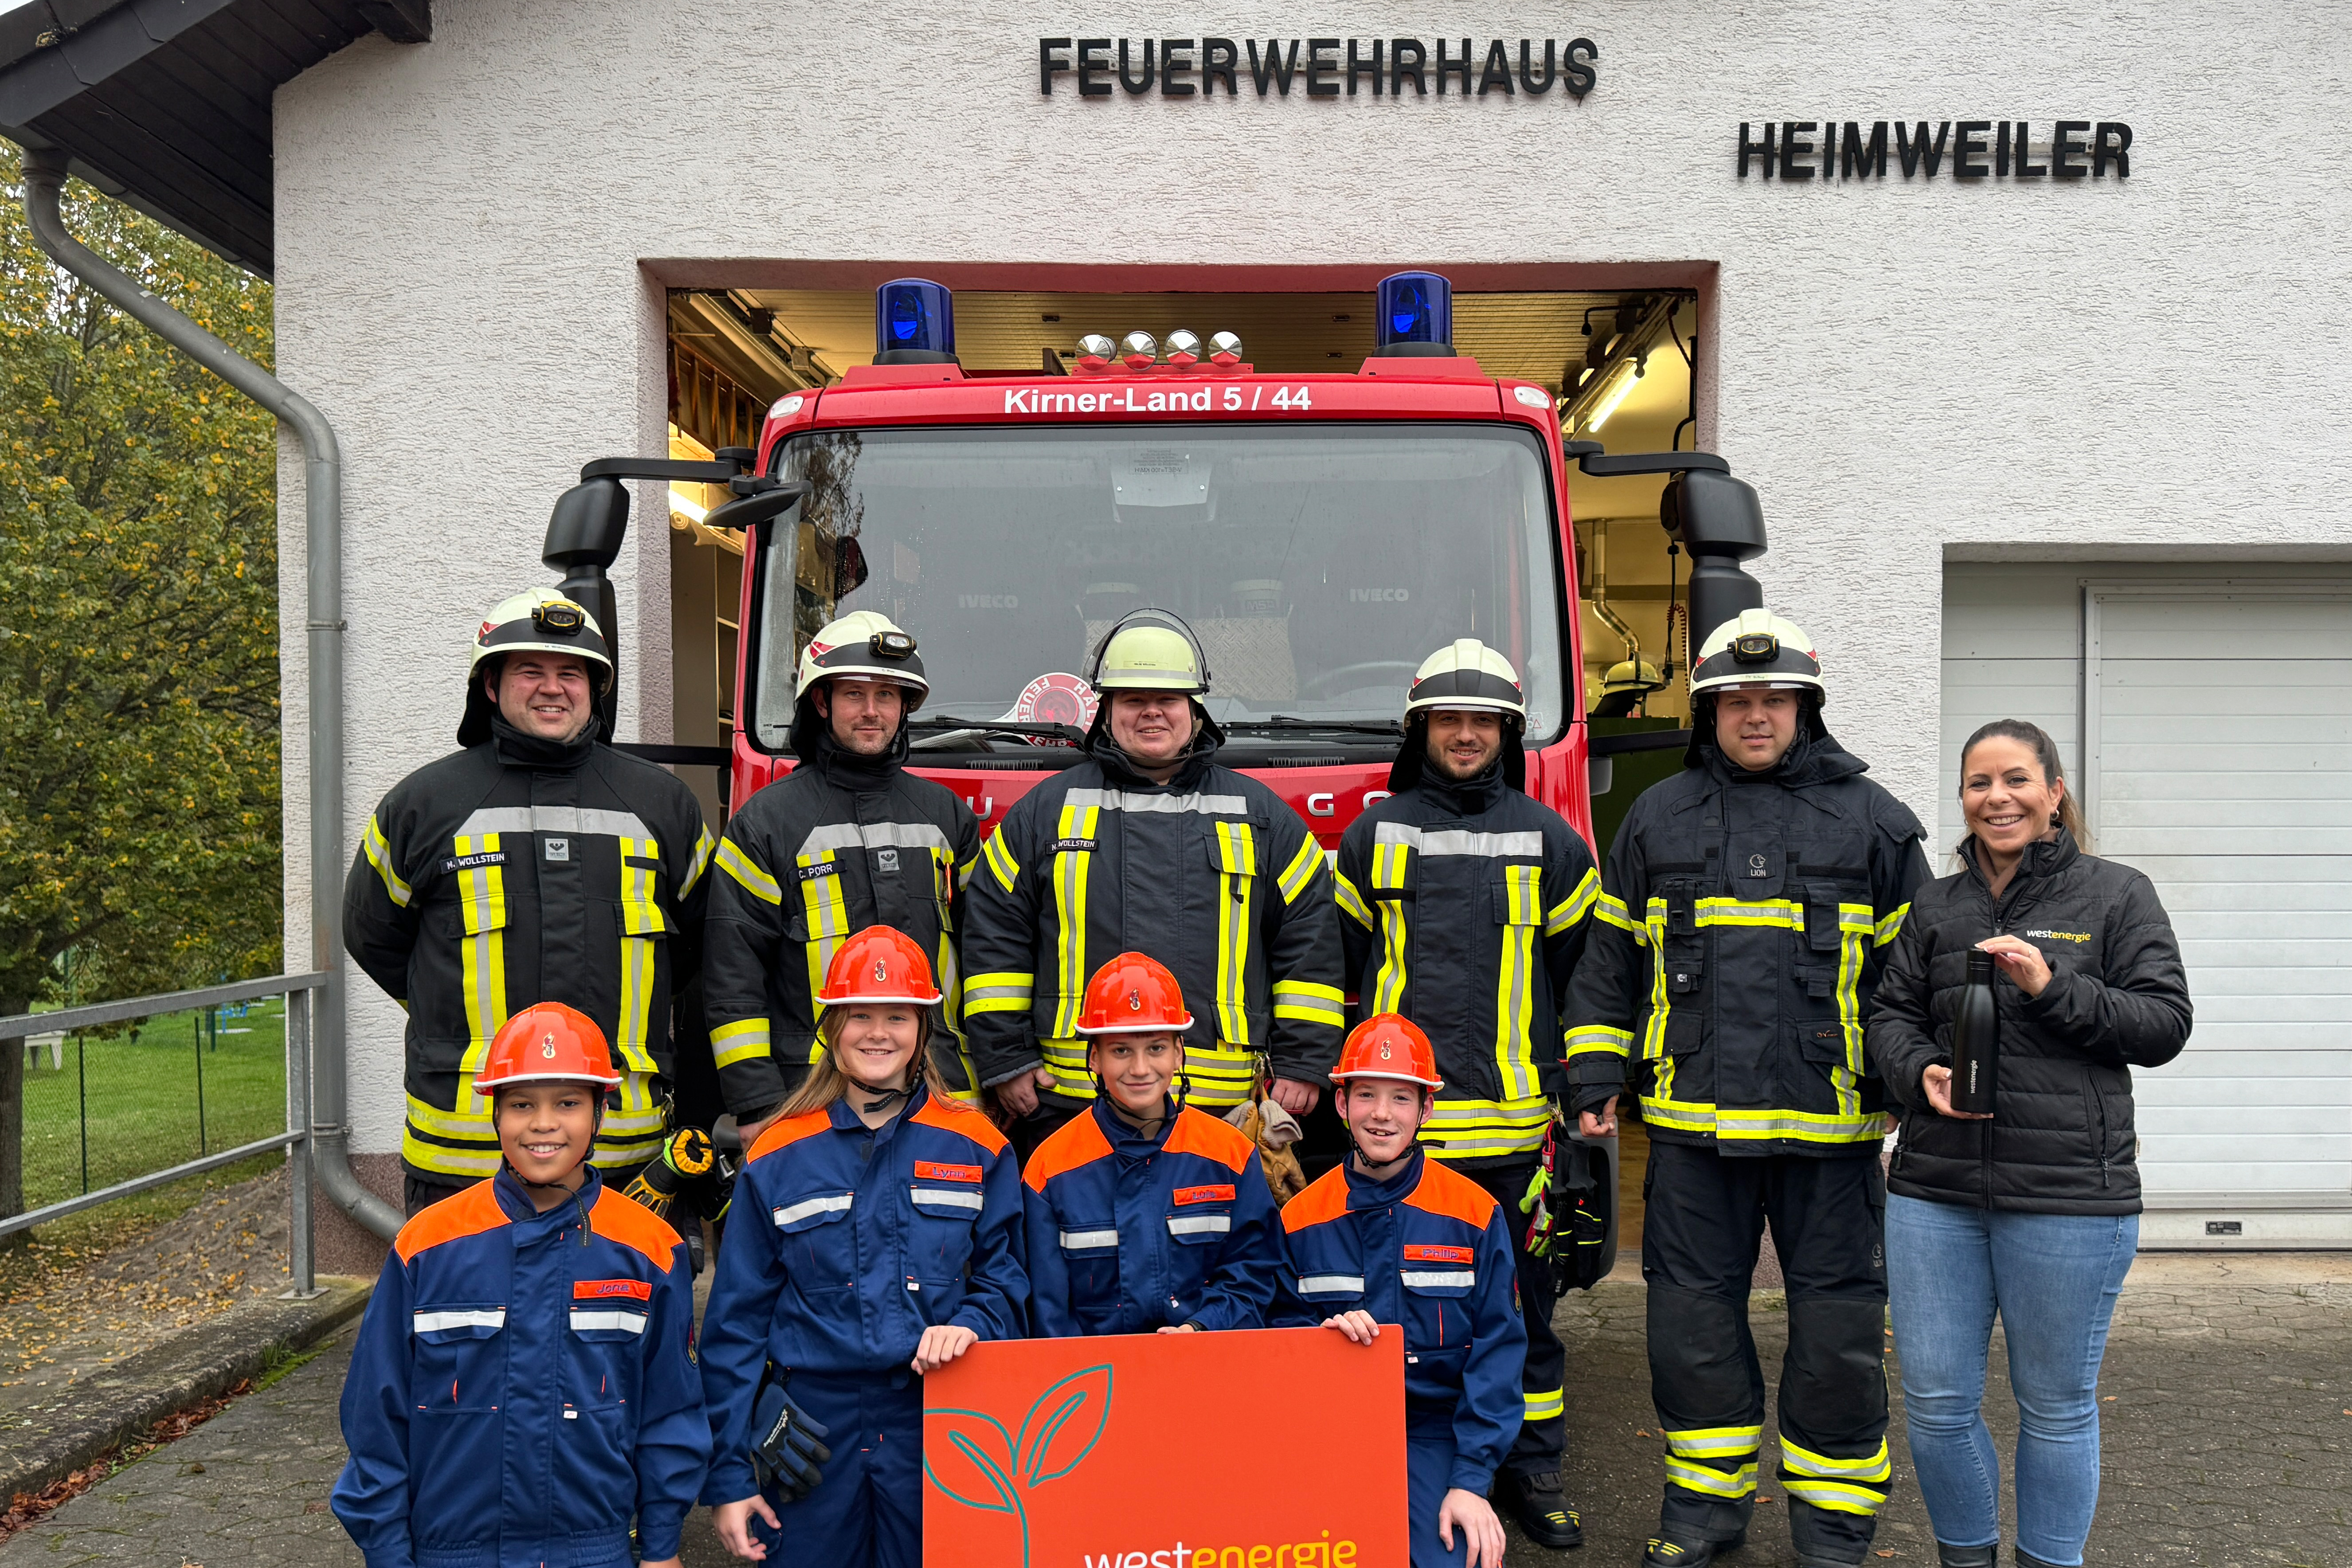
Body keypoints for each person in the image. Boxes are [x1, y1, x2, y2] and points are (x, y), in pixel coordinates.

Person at [1563, 609, 1931, 1568]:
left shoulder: (1878, 822)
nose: (1755, 716)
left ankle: (1835, 1528)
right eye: (1736, 701)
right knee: (1688, 1326)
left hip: (1834, 1134)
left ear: (1807, 707)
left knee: (1842, 1335)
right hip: (1693, 1135)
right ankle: (1703, 1513)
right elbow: (1611, 964)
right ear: (1710, 712)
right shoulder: (1658, 817)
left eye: (1774, 700)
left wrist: (1910, 1079)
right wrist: (1596, 1073)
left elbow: (1916, 977)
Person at [1867, 720, 2190, 1568]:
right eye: (1977, 783)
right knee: (1935, 1404)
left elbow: (2162, 1024)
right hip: (1934, 1192)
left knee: (2053, 1407)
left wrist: (2053, 987)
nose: (1995, 798)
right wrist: (1918, 1073)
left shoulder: (2116, 896)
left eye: (2014, 780)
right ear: (1963, 799)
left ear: (2052, 793)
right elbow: (1886, 1015)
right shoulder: (1935, 906)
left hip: (2066, 1199)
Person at [1332, 637, 1600, 1548]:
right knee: (1380, 1311)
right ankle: (1380, 1457)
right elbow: (1339, 972)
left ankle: (1530, 1468)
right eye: (1449, 719)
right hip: (1395, 1134)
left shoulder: (1552, 840)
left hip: (1512, 1137)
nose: (1465, 733)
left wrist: (1583, 1085)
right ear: (1422, 730)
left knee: (1520, 1313)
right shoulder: (1374, 834)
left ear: (1508, 733)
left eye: (1482, 720)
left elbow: (1583, 975)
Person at [345, 589, 716, 1215]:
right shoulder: (424, 805)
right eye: (530, 672)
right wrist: (447, 1007)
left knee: (622, 1316)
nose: (553, 689)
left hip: (623, 1157)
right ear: (490, 685)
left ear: (595, 688)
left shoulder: (662, 805)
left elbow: (699, 946)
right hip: (464, 1157)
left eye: (571, 673)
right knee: (464, 1316)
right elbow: (373, 936)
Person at [332, 1002, 707, 1568]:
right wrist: (387, 1549)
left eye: (569, 1103)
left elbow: (671, 1408)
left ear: (600, 1111)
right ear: (496, 1114)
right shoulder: (428, 1244)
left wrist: (659, 1545)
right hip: (451, 1553)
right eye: (522, 1104)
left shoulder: (650, 1249)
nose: (543, 1123)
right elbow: (375, 1415)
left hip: (595, 1552)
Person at [698, 925, 1027, 1568]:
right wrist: (730, 1479)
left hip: (940, 1417)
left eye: (898, 1016)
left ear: (923, 1029)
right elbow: (735, 1327)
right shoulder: (778, 1154)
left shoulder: (978, 1146)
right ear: (831, 1028)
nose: (878, 1033)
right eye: (859, 1016)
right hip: (813, 1434)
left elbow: (1009, 1283)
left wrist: (971, 1323)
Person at [960, 608, 1345, 1156]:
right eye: (1133, 700)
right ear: (1106, 710)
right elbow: (992, 942)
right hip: (1070, 1102)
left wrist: (1305, 1062)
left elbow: (1310, 947)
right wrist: (1006, 1059)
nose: (1151, 713)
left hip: (1223, 1108)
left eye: (1167, 700)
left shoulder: (1262, 816)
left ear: (1195, 708)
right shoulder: (1042, 813)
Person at [703, 611, 980, 1136]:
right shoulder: (766, 823)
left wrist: (995, 1068)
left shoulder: (948, 818)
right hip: (809, 1097)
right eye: (854, 694)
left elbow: (987, 956)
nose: (872, 711)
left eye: (887, 695)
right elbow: (732, 974)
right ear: (822, 702)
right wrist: (757, 1102)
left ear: (905, 706)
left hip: (939, 1094)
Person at [1275, 1014, 1524, 1568]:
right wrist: (1317, 1339)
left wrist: (1471, 1480)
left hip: (1436, 1434)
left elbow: (1498, 1353)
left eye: (1401, 1098)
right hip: (1331, 1431)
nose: (1382, 1114)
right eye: (1365, 1094)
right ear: (1341, 1104)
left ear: (1426, 1110)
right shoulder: (1299, 1218)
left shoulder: (1474, 1214)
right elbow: (1274, 1335)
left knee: (1460, 1558)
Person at [1023, 951, 1283, 1336]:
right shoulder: (1050, 1168)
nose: (1141, 1069)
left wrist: (1200, 1329)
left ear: (1179, 1053)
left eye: (1156, 1048)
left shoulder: (1229, 1154)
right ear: (1094, 1059)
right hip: (1098, 1383)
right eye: (1121, 1050)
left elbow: (1254, 1275)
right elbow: (1048, 1314)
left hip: (1207, 1367)